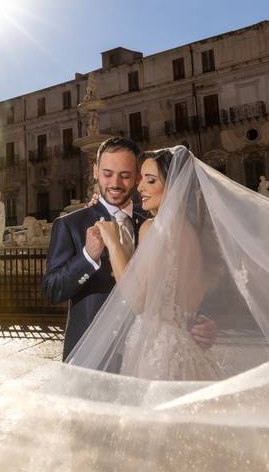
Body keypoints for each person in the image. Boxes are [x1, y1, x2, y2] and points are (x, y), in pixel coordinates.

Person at [41, 137, 215, 360]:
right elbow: (52, 290)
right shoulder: (70, 225)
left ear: (137, 177)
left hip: (146, 353)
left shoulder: (155, 223)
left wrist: (198, 319)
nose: (115, 183)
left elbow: (176, 282)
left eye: (125, 175)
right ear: (95, 171)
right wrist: (88, 257)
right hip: (91, 357)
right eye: (107, 174)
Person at [93, 149, 221, 380]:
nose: (140, 187)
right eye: (141, 180)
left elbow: (138, 300)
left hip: (158, 350)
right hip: (188, 348)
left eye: (150, 180)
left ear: (174, 186)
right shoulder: (199, 234)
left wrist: (113, 244)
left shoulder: (154, 228)